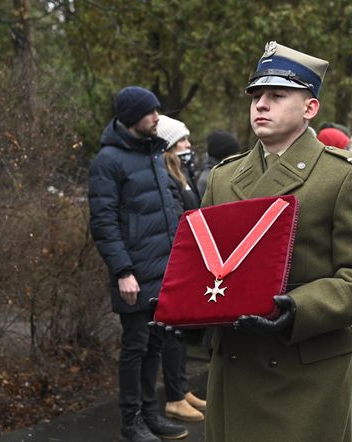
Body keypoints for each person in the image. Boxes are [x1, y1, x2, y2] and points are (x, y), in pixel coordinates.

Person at [200, 41, 352, 442]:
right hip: (236, 362)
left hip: (303, 369)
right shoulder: (223, 176)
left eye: (276, 95)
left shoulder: (342, 175)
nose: (261, 105)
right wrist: (181, 309)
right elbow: (209, 264)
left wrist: (297, 308)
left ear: (310, 109)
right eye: (256, 96)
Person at [88, 86, 188, 442]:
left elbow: (168, 213)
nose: (158, 117)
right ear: (133, 117)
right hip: (134, 274)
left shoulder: (153, 154)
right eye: (151, 112)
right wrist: (123, 271)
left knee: (156, 345)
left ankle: (150, 414)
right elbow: (103, 222)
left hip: (165, 271)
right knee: (135, 346)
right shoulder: (108, 161)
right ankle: (131, 423)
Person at [156, 115, 207, 423]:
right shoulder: (166, 175)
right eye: (182, 142)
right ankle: (174, 395)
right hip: (175, 261)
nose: (188, 146)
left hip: (188, 260)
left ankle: (181, 388)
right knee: (170, 333)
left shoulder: (183, 172)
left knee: (177, 333)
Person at [196, 130, 240, 196]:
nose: (238, 157)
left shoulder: (229, 171)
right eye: (233, 154)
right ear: (222, 155)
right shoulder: (207, 180)